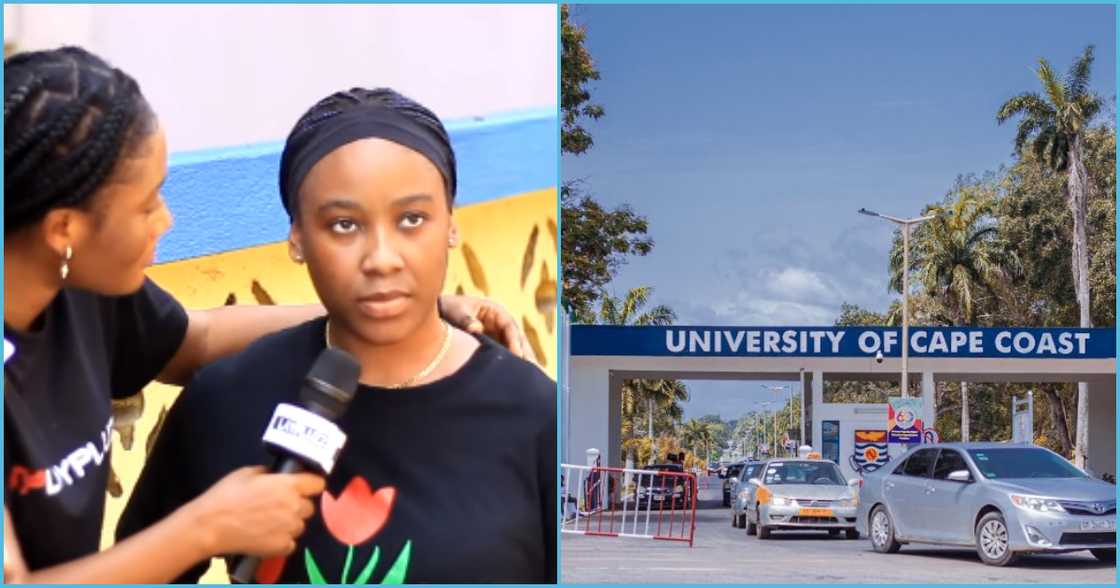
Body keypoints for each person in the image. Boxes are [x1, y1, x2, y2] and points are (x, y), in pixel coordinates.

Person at [3, 47, 529, 583]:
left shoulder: (83, 294)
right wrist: (208, 527)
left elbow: (198, 338)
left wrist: (413, 307)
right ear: (63, 231)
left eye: (413, 220)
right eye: (147, 203)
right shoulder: (222, 404)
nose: (167, 219)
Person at [119, 87, 557, 584]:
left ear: (451, 225)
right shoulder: (225, 399)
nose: (382, 258)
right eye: (344, 225)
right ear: (298, 239)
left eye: (412, 220)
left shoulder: (534, 413)